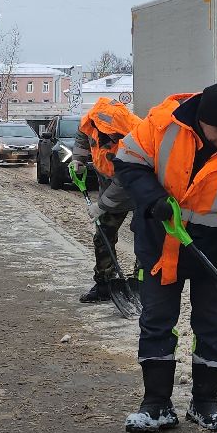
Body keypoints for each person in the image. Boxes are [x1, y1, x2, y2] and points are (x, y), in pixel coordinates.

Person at [113, 82, 217, 433]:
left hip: (213, 252)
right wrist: (152, 198)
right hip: (160, 243)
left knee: (213, 324)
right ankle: (156, 404)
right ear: (200, 119)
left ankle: (205, 403)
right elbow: (126, 162)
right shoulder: (162, 124)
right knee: (157, 321)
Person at [72, 97, 142, 303]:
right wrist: (78, 159)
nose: (113, 139)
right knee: (103, 235)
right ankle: (104, 283)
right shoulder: (92, 122)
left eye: (116, 135)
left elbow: (124, 182)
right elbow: (82, 137)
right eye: (111, 135)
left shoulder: (137, 137)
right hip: (108, 182)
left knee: (144, 236)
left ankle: (142, 283)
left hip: (139, 189)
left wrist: (101, 206)